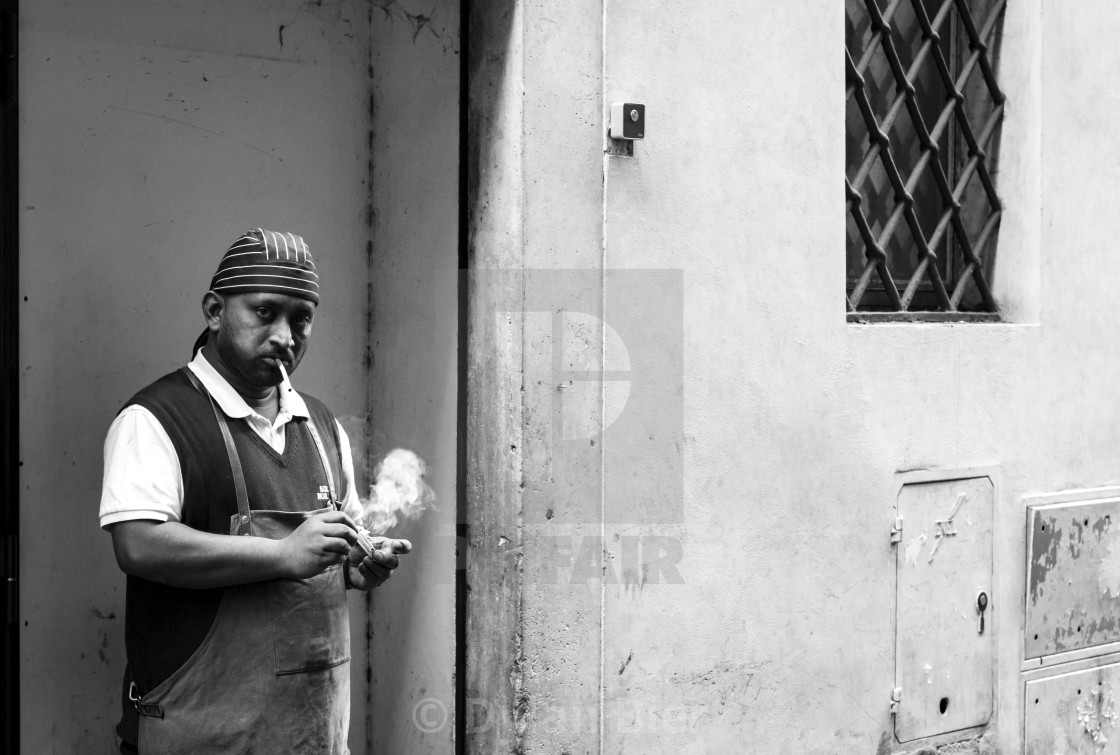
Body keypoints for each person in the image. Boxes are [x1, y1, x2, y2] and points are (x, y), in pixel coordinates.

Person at [99, 228, 410, 754]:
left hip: (311, 735)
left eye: (301, 318)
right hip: (202, 735)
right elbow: (139, 545)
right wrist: (284, 553)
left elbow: (341, 544)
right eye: (265, 312)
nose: (286, 337)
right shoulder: (156, 418)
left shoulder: (321, 424)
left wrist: (357, 565)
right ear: (215, 311)